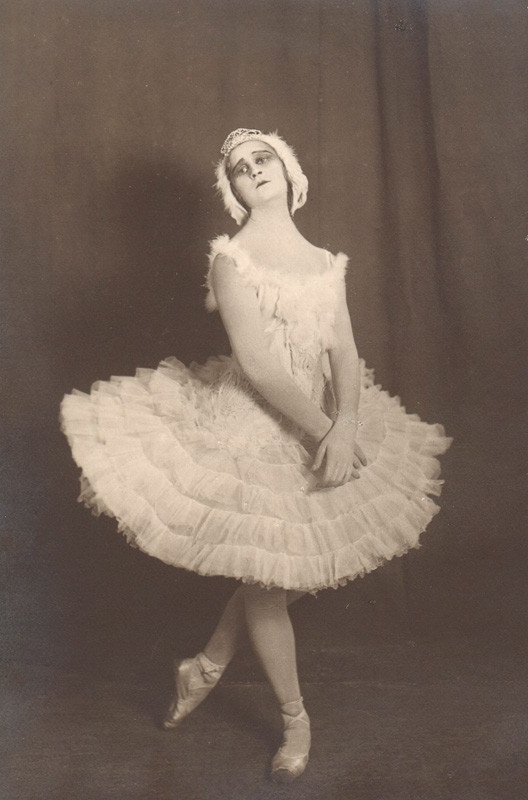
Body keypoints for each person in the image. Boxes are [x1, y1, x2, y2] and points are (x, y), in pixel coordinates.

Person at [59, 127, 452, 783]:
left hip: (323, 417)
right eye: (241, 168)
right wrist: (325, 431)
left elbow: (344, 350)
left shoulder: (325, 261)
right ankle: (296, 719)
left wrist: (348, 422)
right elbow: (260, 365)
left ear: (288, 170)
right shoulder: (231, 260)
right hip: (252, 424)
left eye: (263, 158)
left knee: (279, 574)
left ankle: (205, 665)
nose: (254, 169)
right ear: (234, 190)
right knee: (269, 583)